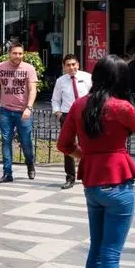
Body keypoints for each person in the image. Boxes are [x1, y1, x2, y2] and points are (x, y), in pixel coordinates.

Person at [56, 55, 135, 268]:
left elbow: (63, 144)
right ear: (120, 80)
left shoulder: (78, 105)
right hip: (119, 184)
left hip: (92, 184)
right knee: (111, 254)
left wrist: (83, 154)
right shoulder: (121, 107)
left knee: (96, 250)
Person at [0, 43, 38, 183]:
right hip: (5, 111)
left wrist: (29, 107)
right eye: (15, 53)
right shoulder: (0, 67)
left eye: (20, 54)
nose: (18, 56)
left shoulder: (29, 68)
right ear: (9, 53)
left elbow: (33, 89)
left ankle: (30, 163)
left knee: (26, 142)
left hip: (23, 112)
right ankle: (7, 172)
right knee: (6, 141)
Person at [52, 54, 93, 189]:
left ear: (78, 65)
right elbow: (56, 99)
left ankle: (88, 174)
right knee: (67, 146)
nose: (71, 67)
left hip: (85, 115)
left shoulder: (87, 77)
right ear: (64, 67)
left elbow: (94, 96)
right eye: (68, 65)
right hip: (67, 115)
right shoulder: (60, 81)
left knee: (86, 145)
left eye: (73, 64)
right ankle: (70, 177)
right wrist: (58, 113)